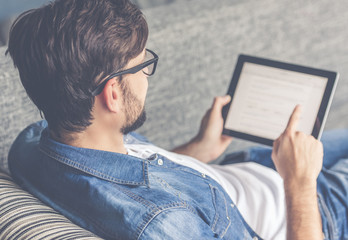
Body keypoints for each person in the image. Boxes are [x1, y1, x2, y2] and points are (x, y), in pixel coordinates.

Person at [6, 0, 347, 239]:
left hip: (244, 173)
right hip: (312, 211)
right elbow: (157, 208)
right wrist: (300, 182)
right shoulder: (165, 225)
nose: (147, 78)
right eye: (143, 66)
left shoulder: (34, 145)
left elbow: (145, 179)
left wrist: (200, 148)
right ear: (112, 94)